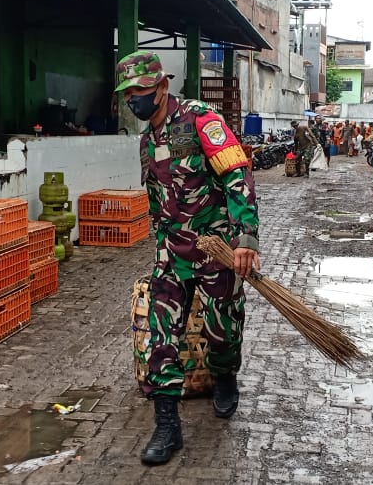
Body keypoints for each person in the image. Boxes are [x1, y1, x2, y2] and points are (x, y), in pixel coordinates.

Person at [113, 51, 261, 465]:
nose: (133, 100)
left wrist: (246, 236)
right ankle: (167, 426)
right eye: (128, 94)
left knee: (222, 330)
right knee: (161, 339)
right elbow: (159, 201)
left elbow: (237, 174)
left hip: (216, 250)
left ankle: (225, 376)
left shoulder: (201, 120)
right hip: (171, 254)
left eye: (140, 91)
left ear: (162, 87)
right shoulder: (147, 142)